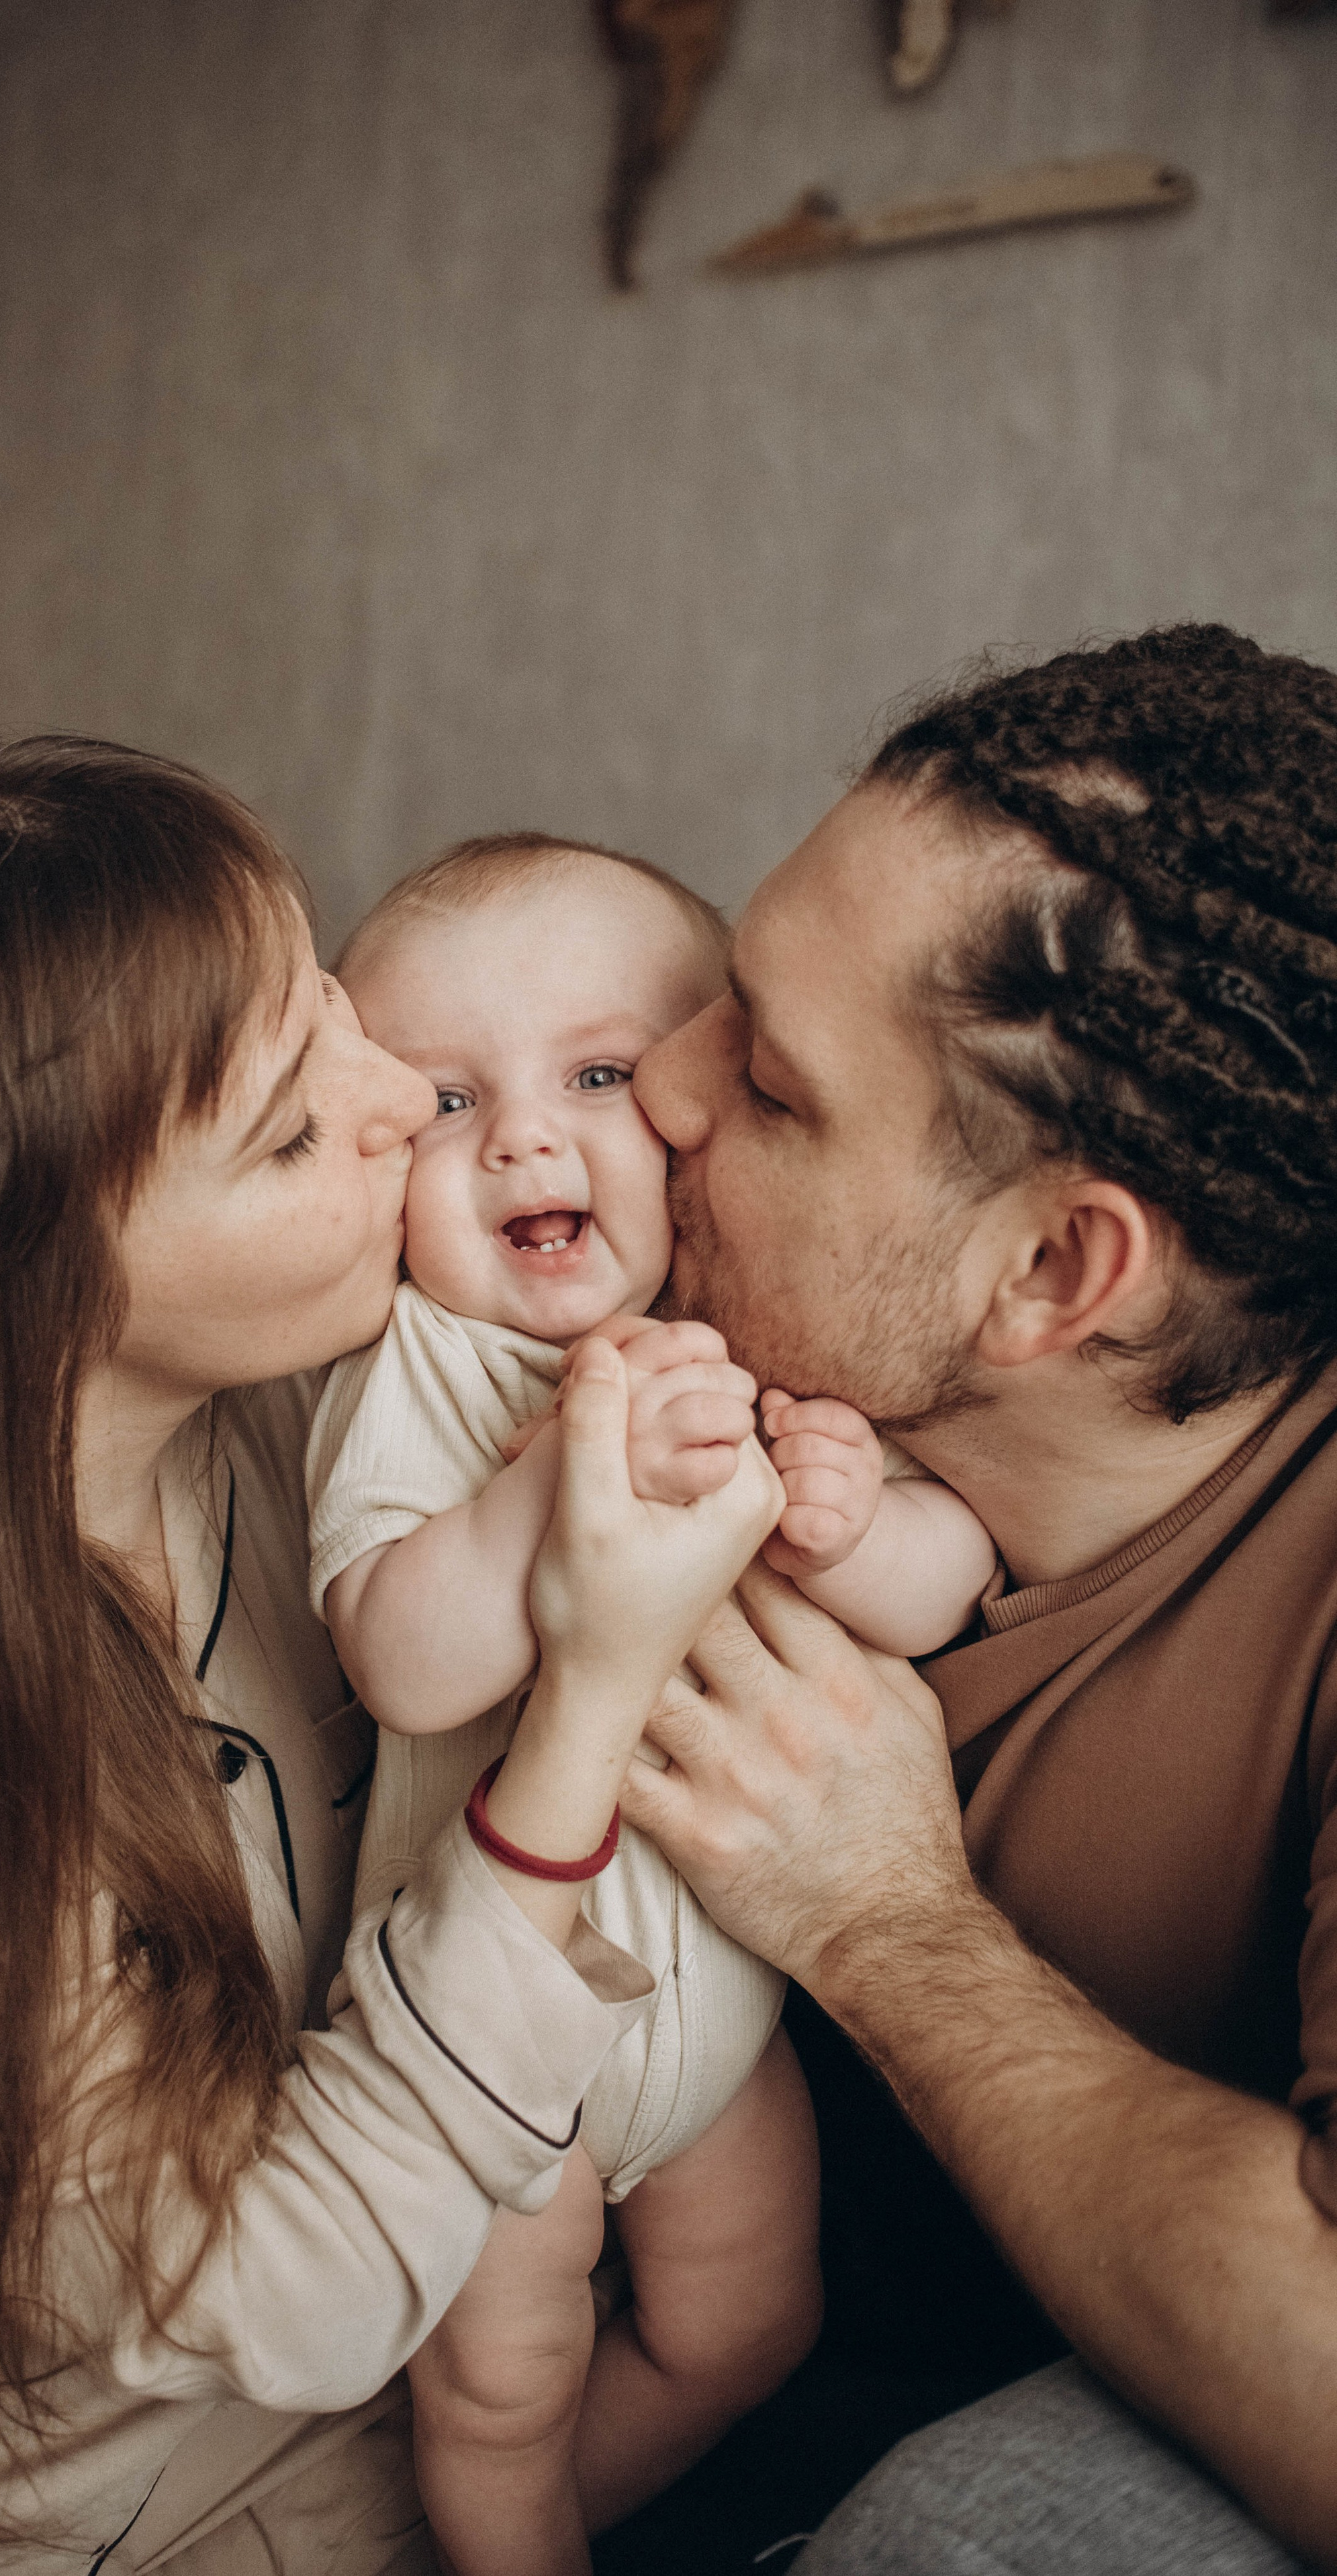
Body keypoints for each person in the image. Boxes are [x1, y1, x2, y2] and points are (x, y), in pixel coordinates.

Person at [0, 735, 779, 2575]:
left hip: (376, 2419)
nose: (401, 1094)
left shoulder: (274, 1418)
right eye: (295, 1129)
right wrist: (590, 1692)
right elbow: (282, 2297)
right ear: (30, 1294)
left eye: (321, 1002)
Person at [616, 625, 1337, 2574]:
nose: (657, 1085)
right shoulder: (648, 1344)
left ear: (1048, 1276)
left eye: (766, 1079)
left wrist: (888, 1922)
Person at [306, 832, 997, 2575]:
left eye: (599, 1073)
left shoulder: (757, 1326)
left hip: (720, 2035)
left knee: (749, 2324)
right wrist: (545, 1489)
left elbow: (945, 1586)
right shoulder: (417, 1365)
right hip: (486, 2036)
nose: (527, 1138)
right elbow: (399, 1656)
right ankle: (506, 2528)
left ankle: (482, 2537)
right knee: (502, 2384)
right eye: (447, 1103)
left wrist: (852, 1524)